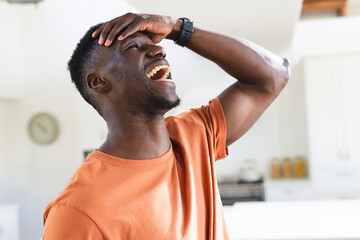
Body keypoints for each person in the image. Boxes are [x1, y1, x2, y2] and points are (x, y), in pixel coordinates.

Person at [42, 13, 290, 239]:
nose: (159, 51)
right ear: (98, 82)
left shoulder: (196, 134)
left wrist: (177, 29)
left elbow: (274, 76)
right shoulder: (78, 210)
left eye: (156, 46)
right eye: (134, 47)